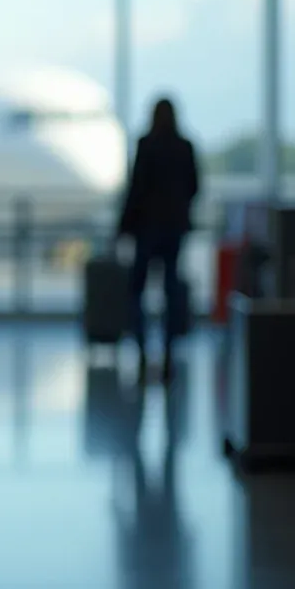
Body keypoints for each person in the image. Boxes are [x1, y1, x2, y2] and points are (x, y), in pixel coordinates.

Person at [117, 98, 200, 382]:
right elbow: (194, 186)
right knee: (171, 291)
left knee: (137, 292)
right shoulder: (184, 146)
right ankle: (167, 352)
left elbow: (136, 188)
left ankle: (141, 351)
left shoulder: (146, 145)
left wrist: (124, 225)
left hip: (147, 229)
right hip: (174, 228)